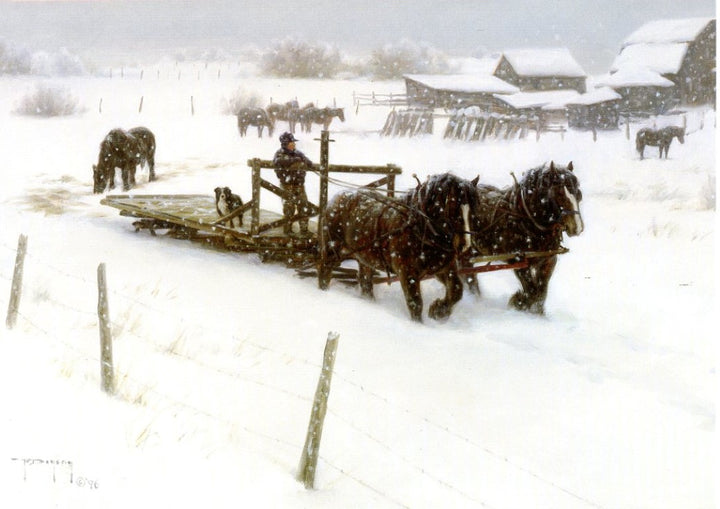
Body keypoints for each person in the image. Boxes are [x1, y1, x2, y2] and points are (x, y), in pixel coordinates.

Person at [273, 132, 314, 236]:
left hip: (299, 184)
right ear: (286, 144)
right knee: (289, 208)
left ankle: (304, 230)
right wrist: (294, 160)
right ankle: (288, 230)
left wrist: (306, 162)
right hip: (287, 185)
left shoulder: (298, 153)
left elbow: (308, 162)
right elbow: (278, 161)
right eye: (292, 142)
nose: (294, 144)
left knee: (303, 205)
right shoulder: (279, 154)